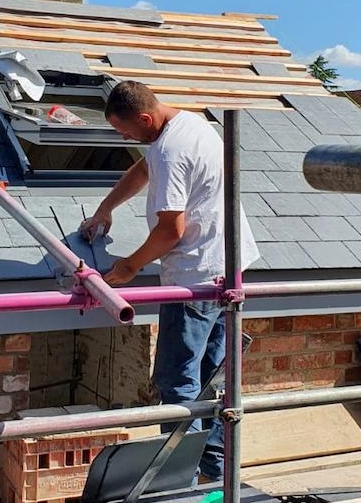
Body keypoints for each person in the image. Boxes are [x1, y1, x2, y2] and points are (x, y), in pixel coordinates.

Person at [80, 80, 259, 482]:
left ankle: (181, 482)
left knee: (177, 383)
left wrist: (127, 268)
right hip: (225, 270)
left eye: (126, 131)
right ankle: (216, 476)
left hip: (193, 280)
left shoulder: (171, 150)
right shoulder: (189, 125)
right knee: (212, 382)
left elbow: (170, 232)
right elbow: (144, 167)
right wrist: (106, 207)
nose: (123, 138)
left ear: (145, 117)